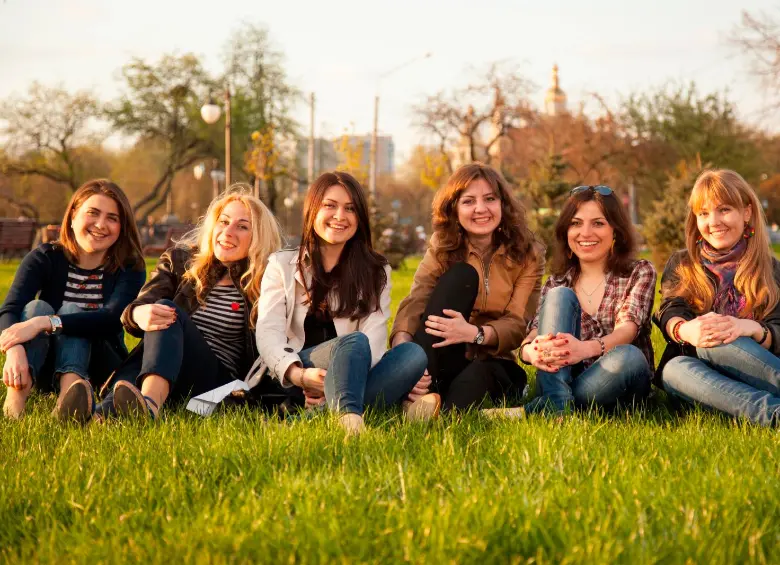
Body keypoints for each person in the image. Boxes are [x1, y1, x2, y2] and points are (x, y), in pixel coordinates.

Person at [255, 171, 429, 434]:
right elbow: (268, 334)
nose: (340, 216)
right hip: (293, 371)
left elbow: (375, 338)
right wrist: (300, 376)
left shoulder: (376, 271)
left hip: (351, 367)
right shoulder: (281, 264)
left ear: (359, 218)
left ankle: (319, 420)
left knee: (413, 355)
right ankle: (353, 420)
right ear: (313, 210)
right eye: (330, 206)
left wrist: (337, 384)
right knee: (353, 341)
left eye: (350, 208)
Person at [98, 188, 282, 420]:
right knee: (162, 314)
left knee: (169, 312)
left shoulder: (267, 281)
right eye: (223, 222)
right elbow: (140, 307)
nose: (227, 232)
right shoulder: (179, 261)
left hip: (217, 385)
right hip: (166, 369)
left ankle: (149, 407)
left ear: (259, 238)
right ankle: (94, 415)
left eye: (242, 226)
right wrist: (138, 313)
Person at [390, 163, 544, 411]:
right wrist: (405, 356)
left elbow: (518, 322)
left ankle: (435, 408)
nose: (480, 209)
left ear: (502, 204)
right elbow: (416, 302)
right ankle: (421, 389)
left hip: (494, 361)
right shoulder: (442, 246)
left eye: (490, 199)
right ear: (455, 209)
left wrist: (475, 333)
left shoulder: (528, 254)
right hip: (444, 355)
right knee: (461, 275)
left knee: (472, 383)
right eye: (468, 201)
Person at [0, 179, 146, 421]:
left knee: (68, 311)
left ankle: (69, 395)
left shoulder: (129, 267)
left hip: (99, 367)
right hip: (45, 364)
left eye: (112, 218)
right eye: (93, 213)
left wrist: (43, 323)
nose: (101, 224)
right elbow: (10, 310)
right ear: (73, 216)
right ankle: (16, 395)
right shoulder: (45, 257)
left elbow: (111, 319)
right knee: (37, 307)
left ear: (122, 227)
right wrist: (14, 350)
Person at [656, 169, 780, 426]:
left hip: (754, 369)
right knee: (673, 369)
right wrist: (685, 329)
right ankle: (773, 415)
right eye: (703, 213)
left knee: (717, 339)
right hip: (701, 381)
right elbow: (669, 308)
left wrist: (751, 329)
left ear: (746, 213)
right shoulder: (682, 264)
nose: (713, 222)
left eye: (724, 210)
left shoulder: (771, 268)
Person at [522, 185, 656, 414]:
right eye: (575, 223)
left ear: (616, 231)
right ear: (566, 231)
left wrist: (584, 349)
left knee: (630, 356)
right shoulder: (556, 283)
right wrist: (529, 351)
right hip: (571, 379)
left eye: (598, 223)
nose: (585, 233)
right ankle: (558, 404)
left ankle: (551, 404)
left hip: (622, 379)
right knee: (560, 296)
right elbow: (535, 334)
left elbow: (628, 331)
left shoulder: (639, 272)